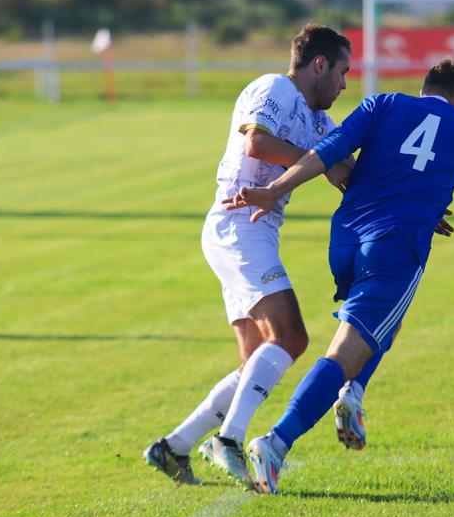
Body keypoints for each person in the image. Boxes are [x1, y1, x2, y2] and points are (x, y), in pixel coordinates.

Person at [222, 59, 454, 494]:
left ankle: (352, 393)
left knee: (384, 323)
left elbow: (329, 152)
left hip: (344, 242)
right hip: (396, 248)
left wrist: (274, 190)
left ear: (425, 88)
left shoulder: (382, 103)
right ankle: (276, 442)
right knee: (346, 350)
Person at [144, 24, 354, 488]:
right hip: (239, 225)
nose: (344, 85)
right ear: (318, 65)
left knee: (256, 359)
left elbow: (347, 163)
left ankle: (174, 447)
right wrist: (319, 160)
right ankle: (229, 440)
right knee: (292, 337)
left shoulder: (318, 121)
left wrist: (416, 200)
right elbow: (256, 142)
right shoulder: (275, 86)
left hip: (251, 232)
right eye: (341, 72)